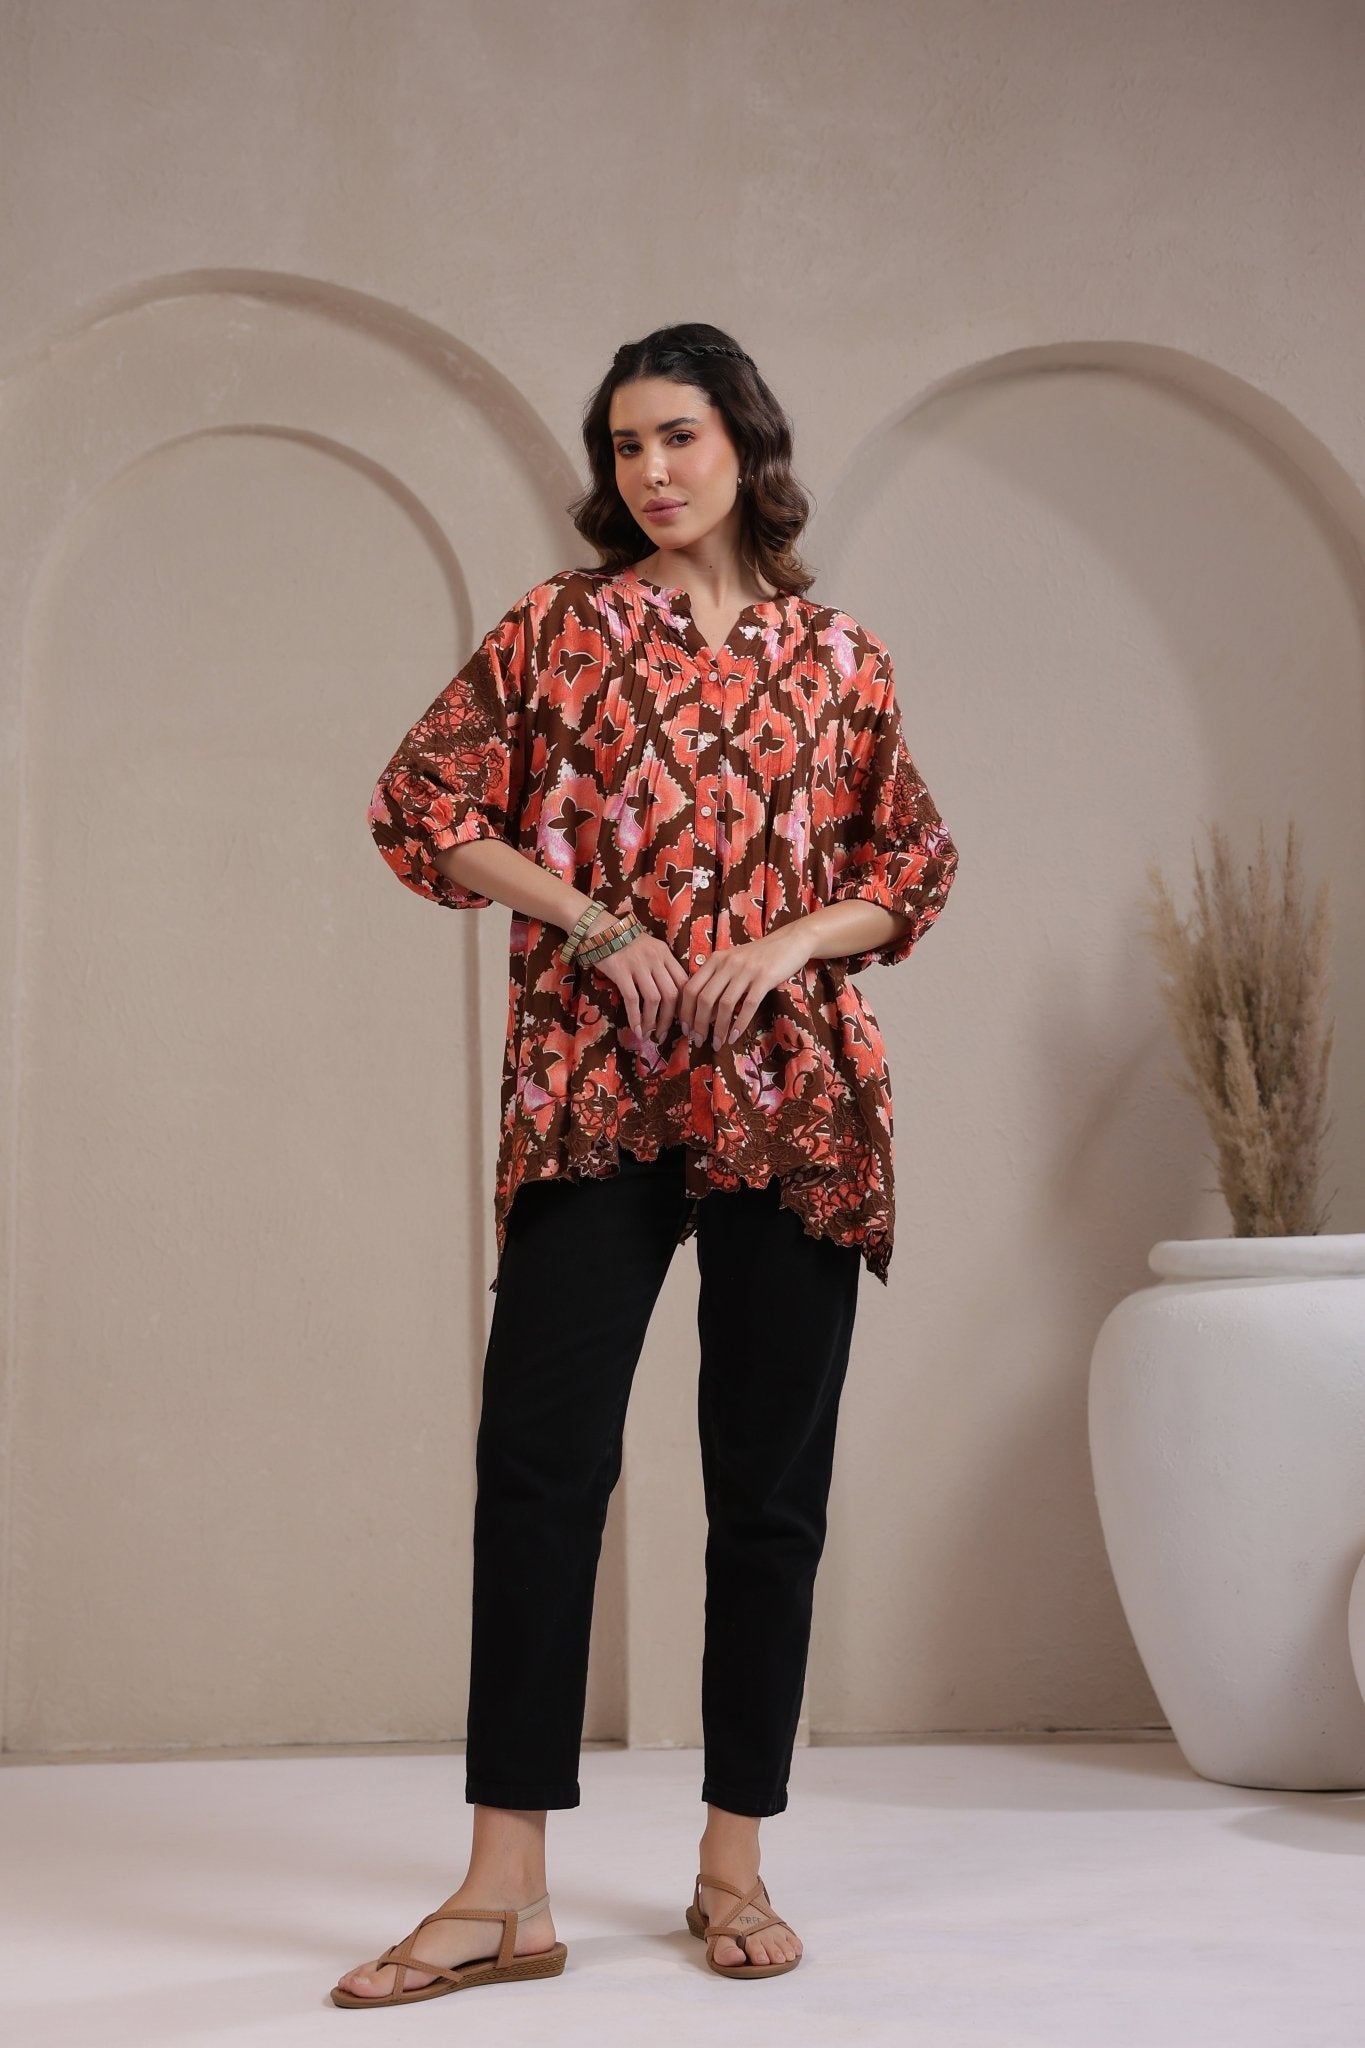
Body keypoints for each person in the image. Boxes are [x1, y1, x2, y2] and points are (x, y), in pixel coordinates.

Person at [331, 323, 960, 2008]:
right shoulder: (557, 628)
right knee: (538, 1467)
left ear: (745, 444)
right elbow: (421, 807)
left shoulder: (841, 657)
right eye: (624, 446)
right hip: (592, 1091)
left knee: (767, 1494)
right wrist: (594, 923)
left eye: (677, 436)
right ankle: (503, 1889)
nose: (651, 471)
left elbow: (908, 864)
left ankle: (732, 1863)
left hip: (793, 1106)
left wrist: (791, 943)